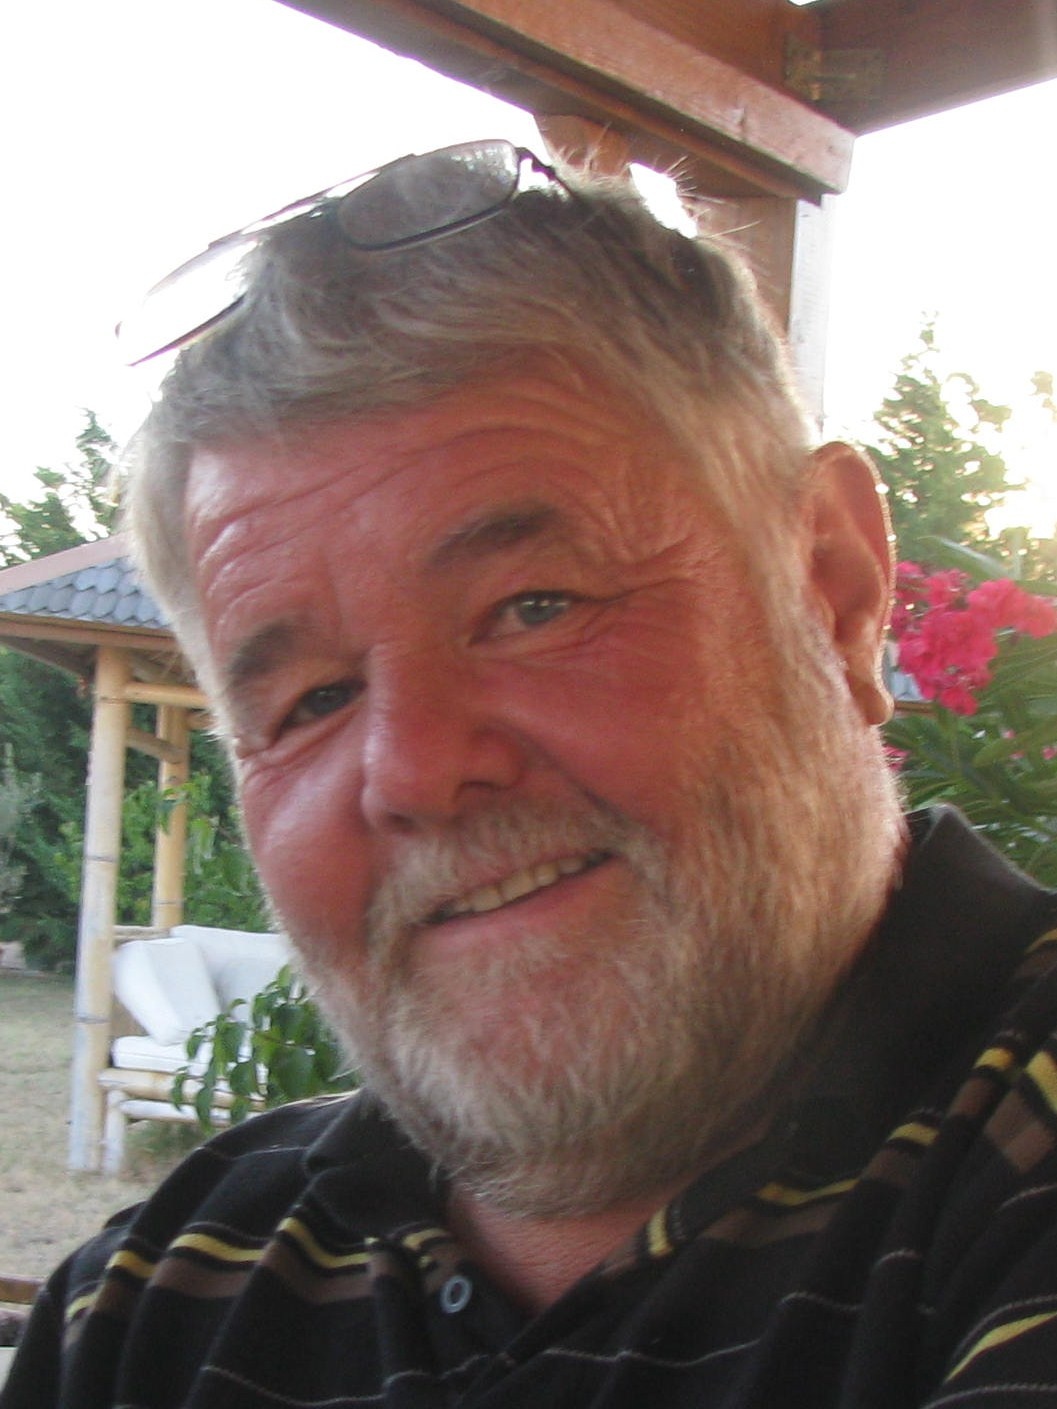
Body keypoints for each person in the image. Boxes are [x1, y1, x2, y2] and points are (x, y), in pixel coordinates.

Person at [5, 139, 1057, 1409]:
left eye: (534, 604)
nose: (411, 770)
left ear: (830, 592)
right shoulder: (151, 1303)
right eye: (312, 700)